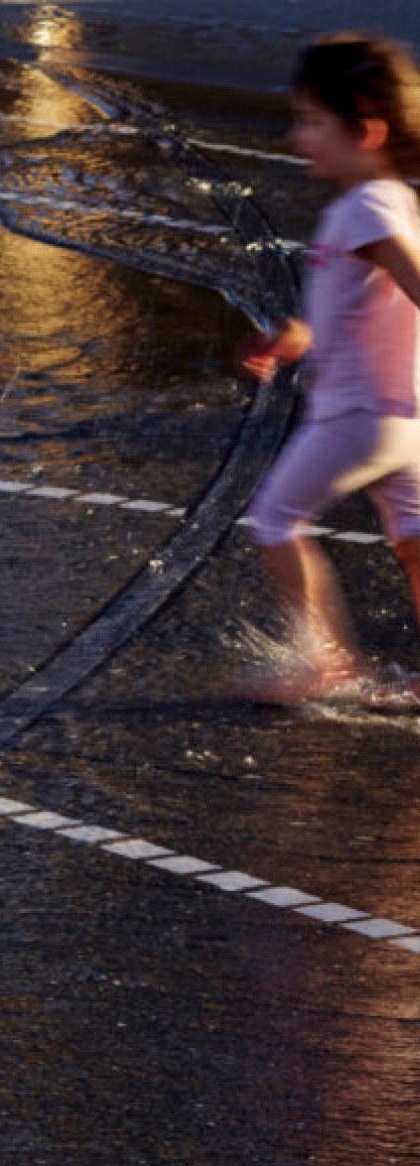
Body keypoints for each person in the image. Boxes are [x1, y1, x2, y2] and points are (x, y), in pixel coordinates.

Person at [238, 33, 420, 702]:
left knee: (275, 521)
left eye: (312, 121)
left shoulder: (366, 207)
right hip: (406, 418)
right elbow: (359, 307)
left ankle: (326, 662)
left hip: (358, 417)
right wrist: (295, 337)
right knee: (414, 543)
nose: (298, 135)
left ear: (366, 130)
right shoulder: (394, 199)